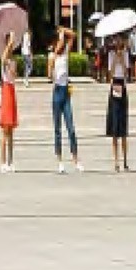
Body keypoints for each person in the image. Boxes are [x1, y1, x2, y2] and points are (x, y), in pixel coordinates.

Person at [50, 29, 80, 174]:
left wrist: (63, 30)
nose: (62, 43)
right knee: (57, 129)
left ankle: (76, 159)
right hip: (57, 92)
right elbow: (49, 76)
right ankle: (60, 161)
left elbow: (73, 35)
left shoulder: (66, 54)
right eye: (60, 40)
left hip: (65, 92)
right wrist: (53, 62)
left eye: (62, 40)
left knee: (71, 128)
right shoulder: (52, 56)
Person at [106, 38, 132, 172]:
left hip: (122, 84)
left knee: (123, 126)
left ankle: (125, 159)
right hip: (115, 85)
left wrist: (122, 60)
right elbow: (110, 74)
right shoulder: (111, 55)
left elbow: (127, 74)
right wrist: (115, 60)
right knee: (115, 125)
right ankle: (116, 160)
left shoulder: (126, 55)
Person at [0, 40, 19, 173]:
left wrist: (12, 69)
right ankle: (3, 162)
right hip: (6, 91)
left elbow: (15, 75)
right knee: (5, 131)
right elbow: (4, 58)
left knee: (11, 132)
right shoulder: (4, 59)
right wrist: (9, 42)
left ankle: (11, 161)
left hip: (11, 91)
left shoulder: (13, 61)